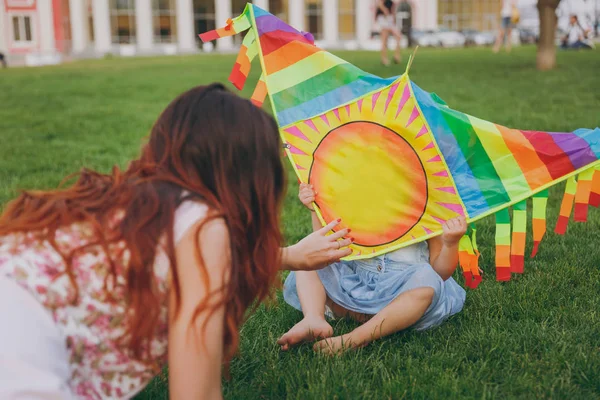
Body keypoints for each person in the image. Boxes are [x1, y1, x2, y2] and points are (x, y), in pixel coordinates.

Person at [0, 84, 351, 399]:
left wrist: (288, 256)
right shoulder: (206, 227)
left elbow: (185, 259)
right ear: (255, 178)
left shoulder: (132, 201)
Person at [278, 184, 467, 354]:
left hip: (400, 295)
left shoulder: (425, 212)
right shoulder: (354, 203)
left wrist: (450, 244)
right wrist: (316, 208)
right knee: (308, 260)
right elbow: (323, 248)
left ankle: (356, 338)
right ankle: (313, 318)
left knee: (428, 279)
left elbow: (440, 273)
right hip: (356, 288)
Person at [375, 0, 402, 66]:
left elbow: (392, 10)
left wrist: (393, 19)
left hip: (389, 18)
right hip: (383, 18)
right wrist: (385, 10)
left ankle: (396, 56)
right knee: (384, 39)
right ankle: (384, 59)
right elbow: (380, 4)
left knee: (398, 36)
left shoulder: (391, 2)